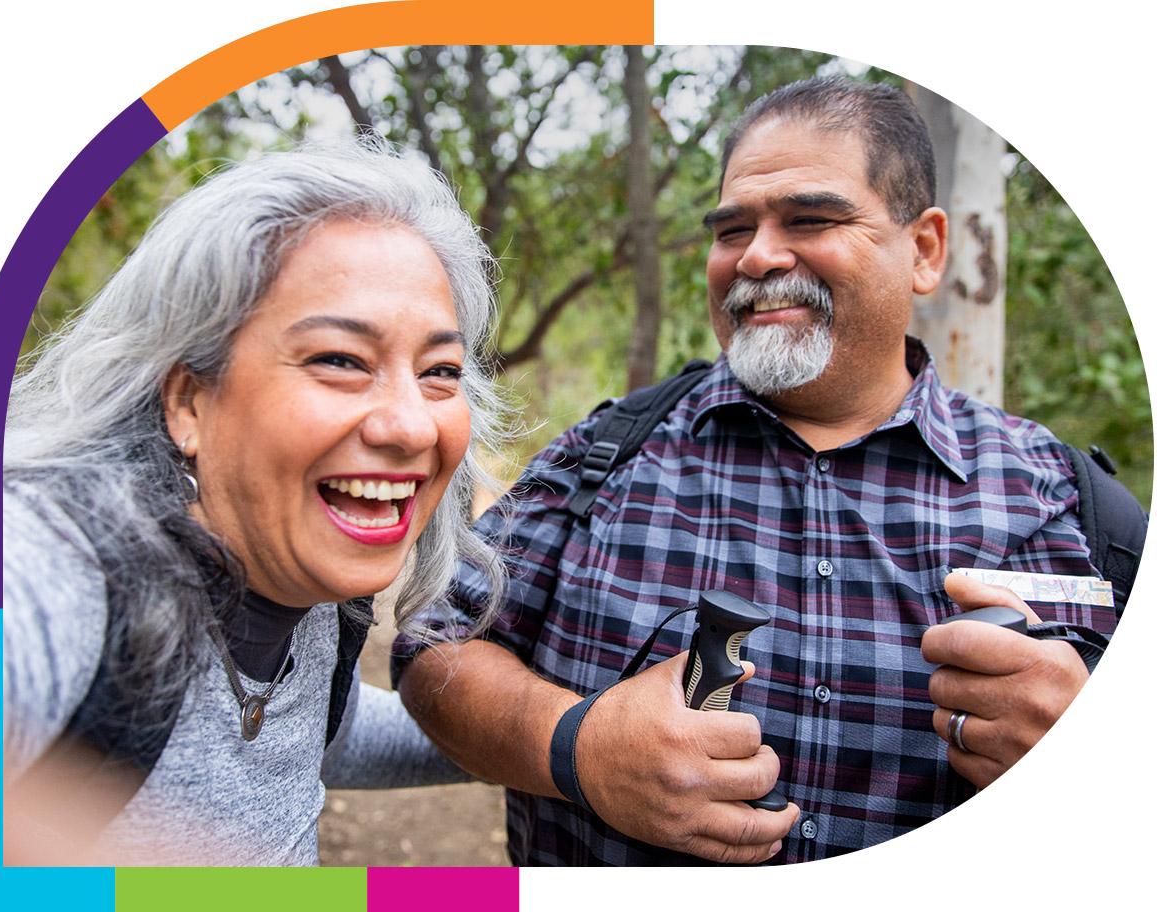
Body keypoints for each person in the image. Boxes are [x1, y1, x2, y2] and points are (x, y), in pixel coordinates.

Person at [394, 77, 1130, 865]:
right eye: (732, 228)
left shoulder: (1063, 504)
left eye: (811, 219)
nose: (757, 256)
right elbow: (435, 646)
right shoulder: (604, 455)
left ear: (924, 250)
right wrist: (575, 746)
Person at [2, 141, 507, 865]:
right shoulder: (63, 569)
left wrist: (558, 739)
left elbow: (325, 734)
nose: (410, 424)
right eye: (340, 360)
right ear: (189, 402)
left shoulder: (313, 607)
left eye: (440, 370)